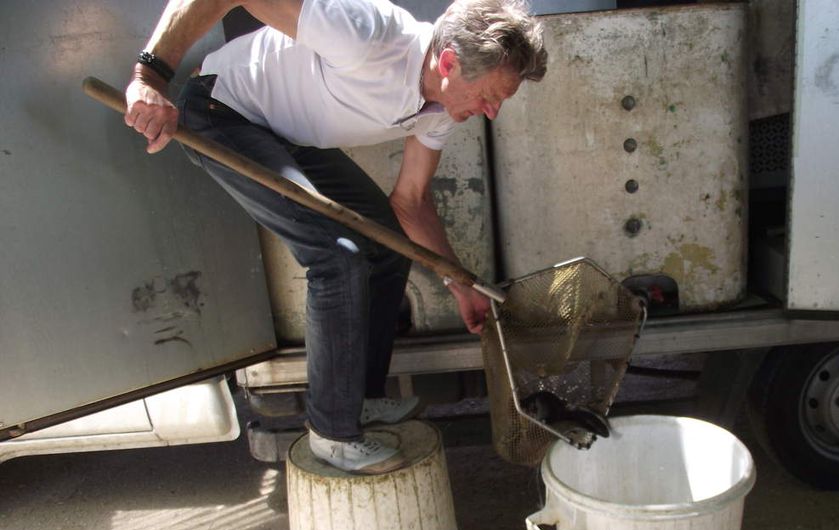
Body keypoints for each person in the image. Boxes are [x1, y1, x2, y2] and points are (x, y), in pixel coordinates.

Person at [124, 0, 546, 474]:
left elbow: (409, 201)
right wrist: (150, 78)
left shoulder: (442, 105)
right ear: (449, 62)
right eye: (490, 96)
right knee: (336, 257)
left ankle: (356, 400)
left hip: (284, 133)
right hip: (223, 112)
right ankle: (333, 433)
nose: (490, 113)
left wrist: (459, 284)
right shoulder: (368, 34)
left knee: (386, 246)